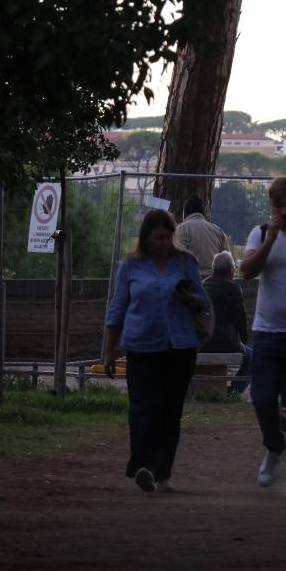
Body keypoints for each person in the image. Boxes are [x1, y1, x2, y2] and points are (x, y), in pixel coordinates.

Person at [102, 208, 206, 493]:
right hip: (141, 347)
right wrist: (109, 350)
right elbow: (118, 307)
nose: (163, 243)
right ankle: (143, 465)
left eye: (167, 237)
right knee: (143, 407)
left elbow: (202, 299)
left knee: (171, 410)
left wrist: (190, 298)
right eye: (157, 237)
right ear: (145, 237)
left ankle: (163, 472)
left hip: (180, 346)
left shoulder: (185, 262)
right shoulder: (130, 266)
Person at [241, 176, 286, 494]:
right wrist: (270, 240)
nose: (284, 211)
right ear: (271, 206)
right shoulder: (260, 233)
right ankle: (275, 447)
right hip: (267, 332)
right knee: (262, 398)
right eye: (278, 205)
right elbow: (247, 271)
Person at [202, 250, 252, 385]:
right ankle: (233, 392)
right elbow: (241, 319)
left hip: (202, 342)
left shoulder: (203, 285)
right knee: (252, 357)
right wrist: (244, 342)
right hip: (224, 342)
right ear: (230, 269)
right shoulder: (232, 287)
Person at [174, 194, 228, 274]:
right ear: (203, 212)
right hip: (213, 278)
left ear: (185, 212)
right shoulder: (218, 231)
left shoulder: (180, 230)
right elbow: (227, 261)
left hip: (189, 278)